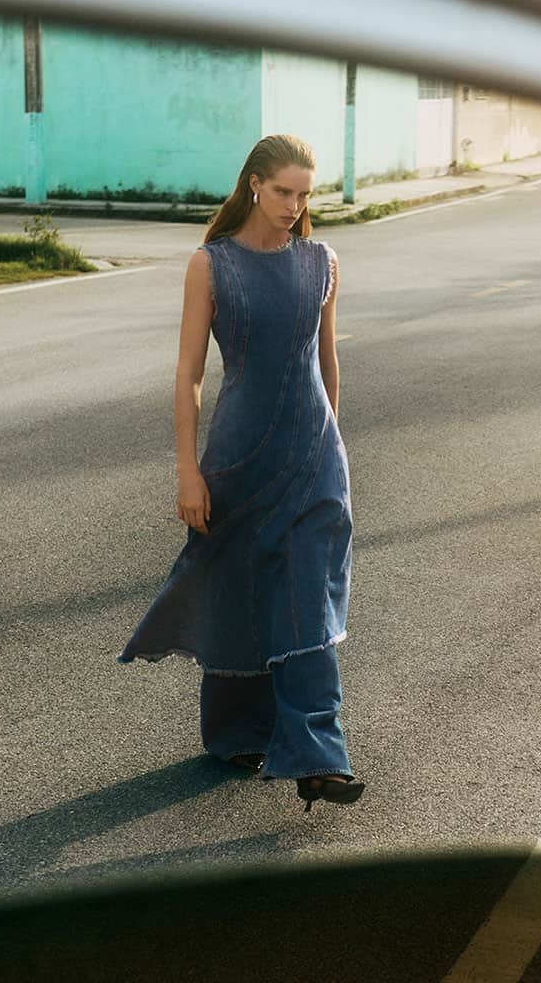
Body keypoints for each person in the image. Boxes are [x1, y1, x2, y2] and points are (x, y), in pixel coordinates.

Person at [118, 134, 364, 814]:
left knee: (306, 603)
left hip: (314, 461)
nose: (294, 205)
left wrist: (333, 444)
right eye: (283, 191)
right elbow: (189, 374)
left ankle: (318, 757)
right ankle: (235, 734)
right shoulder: (211, 264)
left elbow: (327, 364)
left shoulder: (322, 262)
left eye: (304, 194)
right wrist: (187, 473)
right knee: (238, 594)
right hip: (238, 460)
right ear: (254, 185)